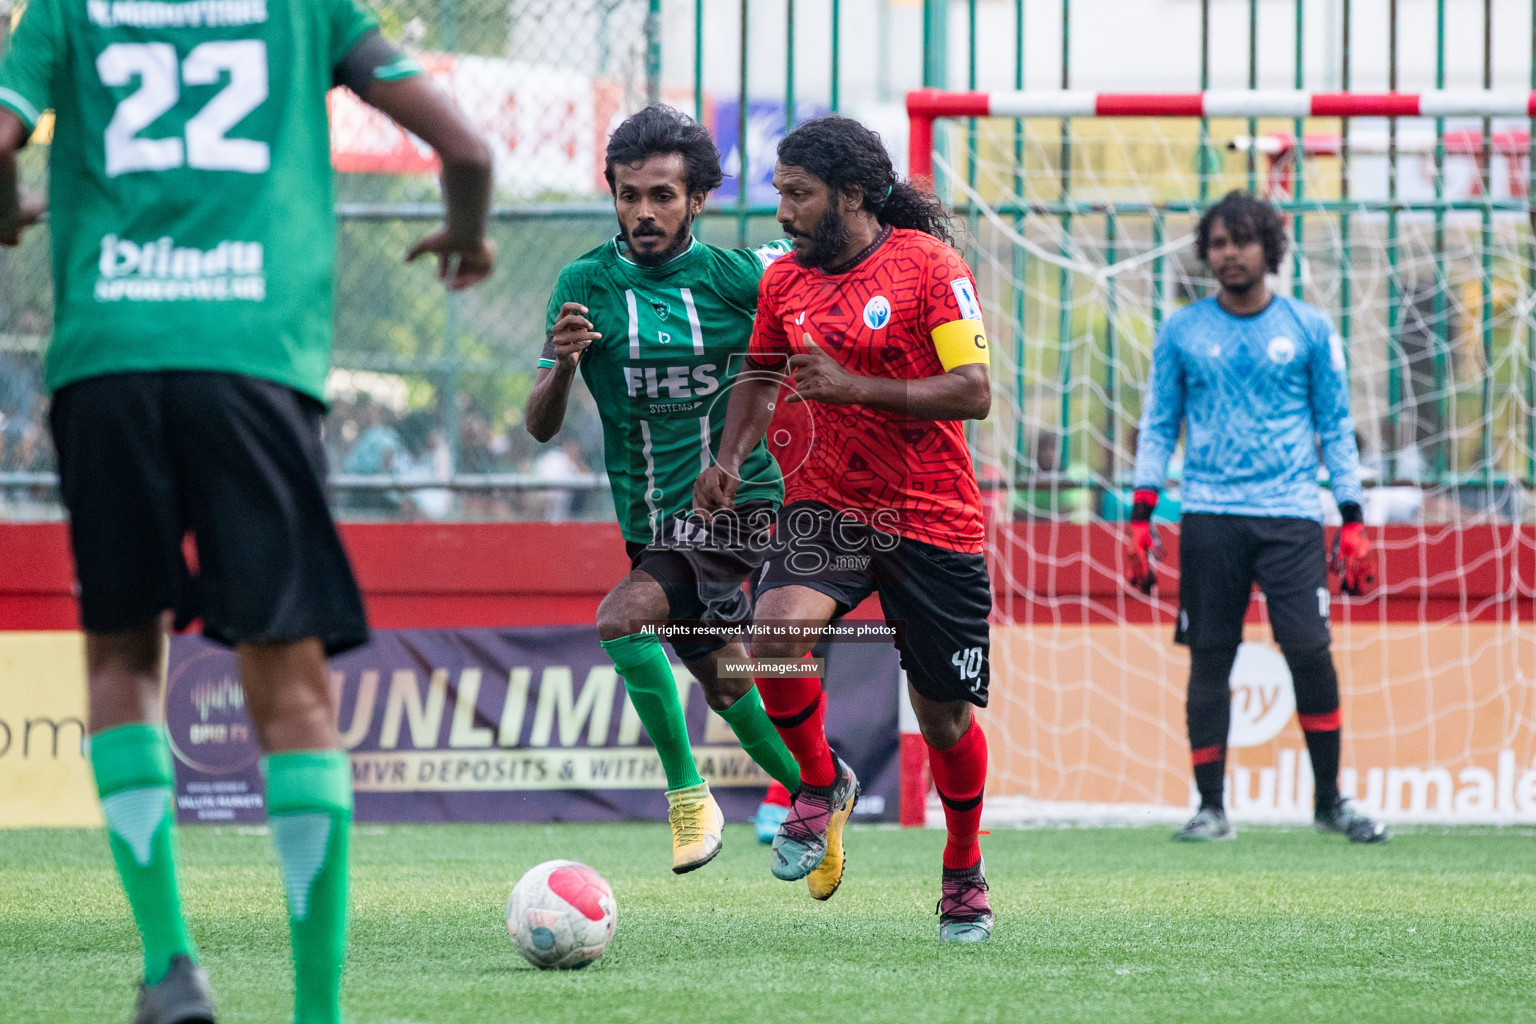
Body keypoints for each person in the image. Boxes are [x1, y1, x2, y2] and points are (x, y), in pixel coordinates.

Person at [0, 1, 494, 1020]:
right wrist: (466, 229)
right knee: (291, 678)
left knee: (122, 656)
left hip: (107, 358)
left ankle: (170, 962)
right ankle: (316, 1012)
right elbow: (466, 145)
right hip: (253, 361)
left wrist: (7, 208)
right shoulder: (305, 8)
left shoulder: (64, 11)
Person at [695, 115, 996, 940]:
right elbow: (759, 377)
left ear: (852, 195)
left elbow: (973, 390)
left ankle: (963, 868)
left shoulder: (927, 266)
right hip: (828, 507)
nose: (783, 212)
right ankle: (821, 784)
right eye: (779, 193)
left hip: (932, 515)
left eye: (799, 194)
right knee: (775, 630)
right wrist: (729, 457)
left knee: (944, 721)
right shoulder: (784, 283)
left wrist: (856, 387)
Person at [524, 105, 800, 873]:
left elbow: (821, 273)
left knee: (622, 619)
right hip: (647, 521)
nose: (643, 212)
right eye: (628, 195)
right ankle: (820, 787)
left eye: (663, 196)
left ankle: (686, 795)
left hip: (737, 503)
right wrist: (564, 361)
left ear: (697, 199)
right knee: (720, 676)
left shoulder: (737, 276)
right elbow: (540, 426)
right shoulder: (582, 284)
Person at [1125, 190, 1385, 846]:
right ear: (1205, 254)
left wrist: (1352, 516)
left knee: (1309, 651)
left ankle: (1329, 801)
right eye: (1217, 243)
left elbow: (1336, 426)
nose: (1229, 253)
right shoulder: (1181, 331)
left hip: (1293, 516)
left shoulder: (1309, 327)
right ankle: (1210, 809)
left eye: (1241, 241)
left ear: (1269, 248)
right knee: (1210, 658)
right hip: (1210, 514)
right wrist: (1141, 511)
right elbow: (1158, 424)